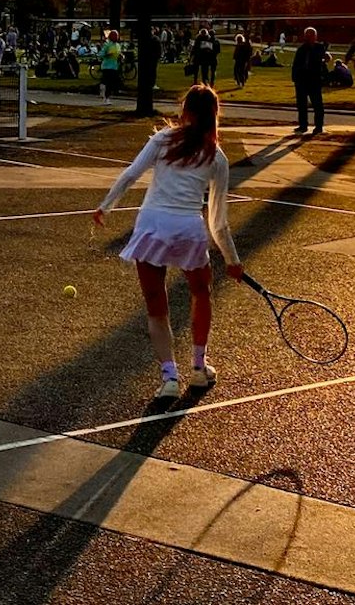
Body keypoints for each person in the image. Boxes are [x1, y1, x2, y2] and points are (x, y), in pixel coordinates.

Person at [92, 85, 246, 400]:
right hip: (188, 229)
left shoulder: (162, 139)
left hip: (151, 225)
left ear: (185, 110)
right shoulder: (216, 156)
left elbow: (130, 175)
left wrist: (105, 206)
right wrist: (232, 260)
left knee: (155, 306)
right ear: (214, 115)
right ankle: (199, 368)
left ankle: (169, 377)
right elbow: (218, 220)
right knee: (201, 294)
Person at [292, 27, 327, 136]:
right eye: (307, 35)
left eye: (311, 35)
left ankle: (318, 126)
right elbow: (296, 64)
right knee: (302, 104)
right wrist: (295, 78)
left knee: (317, 104)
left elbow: (323, 59)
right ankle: (303, 125)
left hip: (314, 79)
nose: (308, 37)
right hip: (302, 79)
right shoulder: (301, 49)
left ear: (315, 36)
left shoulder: (319, 48)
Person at [99, 29, 124, 105]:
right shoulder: (107, 45)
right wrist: (107, 55)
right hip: (107, 66)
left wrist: (121, 56)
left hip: (114, 66)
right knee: (108, 82)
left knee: (111, 82)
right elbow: (101, 54)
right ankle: (105, 97)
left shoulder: (117, 45)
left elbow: (119, 53)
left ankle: (105, 93)